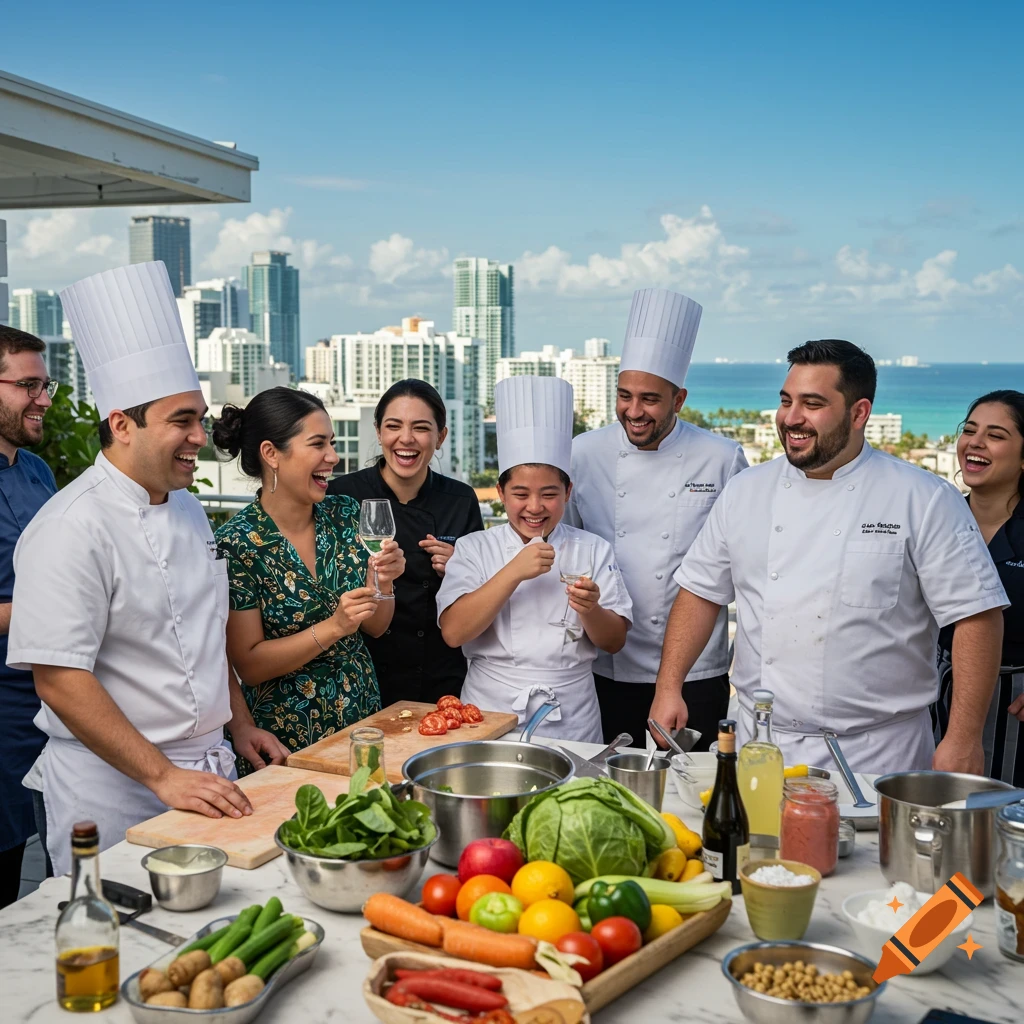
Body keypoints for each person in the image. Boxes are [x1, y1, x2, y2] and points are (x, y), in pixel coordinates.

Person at [7, 263, 287, 876]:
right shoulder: (69, 526)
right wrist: (162, 775)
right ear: (121, 425)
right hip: (111, 787)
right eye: (181, 421)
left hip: (205, 770)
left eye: (200, 419)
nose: (200, 437)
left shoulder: (187, 508)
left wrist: (238, 724)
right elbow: (60, 680)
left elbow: (203, 638)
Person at [650, 339, 1008, 775]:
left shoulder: (924, 498)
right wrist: (669, 685)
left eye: (812, 403)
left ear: (859, 413)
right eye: (786, 401)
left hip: (877, 752)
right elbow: (700, 592)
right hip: (761, 743)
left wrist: (964, 738)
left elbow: (977, 617)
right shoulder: (745, 491)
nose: (791, 418)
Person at [567, 289, 746, 749]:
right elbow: (563, 545)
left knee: (693, 783)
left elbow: (738, 563)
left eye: (649, 399)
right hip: (605, 664)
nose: (634, 412)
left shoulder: (721, 458)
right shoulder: (582, 453)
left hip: (694, 671)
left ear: (679, 398)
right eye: (624, 396)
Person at [214, 388, 405, 771]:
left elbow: (377, 626)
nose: (333, 457)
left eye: (331, 443)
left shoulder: (346, 514)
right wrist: (335, 626)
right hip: (284, 737)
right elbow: (249, 664)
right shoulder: (236, 544)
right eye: (318, 444)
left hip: (361, 720)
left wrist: (383, 583)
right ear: (271, 454)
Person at [437, 375, 632, 741]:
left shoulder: (592, 548)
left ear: (568, 492)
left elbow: (614, 641)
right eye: (521, 494)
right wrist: (513, 572)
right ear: (501, 492)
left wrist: (591, 609)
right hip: (489, 712)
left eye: (549, 494)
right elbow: (453, 632)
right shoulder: (475, 547)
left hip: (572, 714)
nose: (535, 506)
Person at [328, 379, 483, 705]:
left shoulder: (460, 500)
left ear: (441, 437)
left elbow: (478, 595)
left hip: (439, 673)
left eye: (421, 428)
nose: (406, 438)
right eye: (393, 426)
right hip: (361, 676)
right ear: (378, 432)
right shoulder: (341, 496)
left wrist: (461, 568)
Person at [935, 391, 1024, 784]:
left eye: (996, 435)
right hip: (934, 698)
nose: (975, 442)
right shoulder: (938, 517)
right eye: (969, 430)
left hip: (1013, 707)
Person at [0, 327, 57, 906]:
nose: (42, 399)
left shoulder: (37, 471)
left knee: (34, 862)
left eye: (46, 385)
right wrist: (47, 605)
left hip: (45, 703)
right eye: (27, 386)